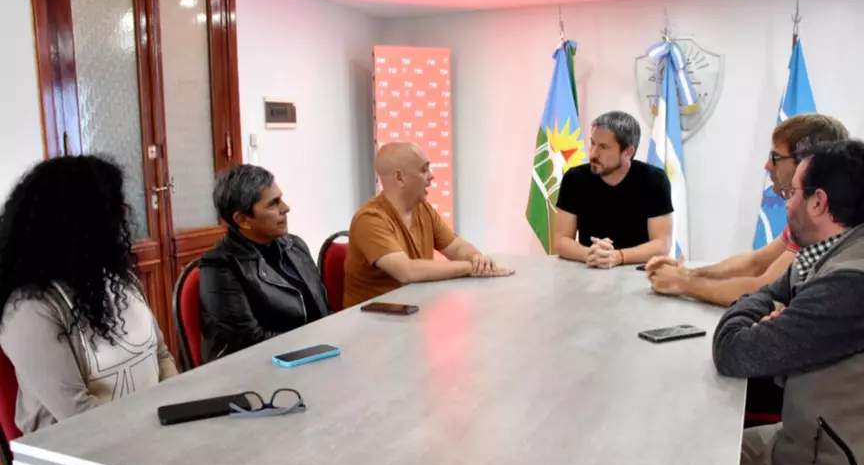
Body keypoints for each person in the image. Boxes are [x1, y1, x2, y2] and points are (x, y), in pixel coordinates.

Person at [713, 139, 864, 465]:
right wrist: (770, 309)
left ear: (818, 202)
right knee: (694, 453)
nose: (786, 203)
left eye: (792, 193)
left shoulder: (858, 286)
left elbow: (733, 351)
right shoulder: (847, 250)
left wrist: (765, 316)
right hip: (822, 437)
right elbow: (766, 294)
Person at [0, 156, 177, 434]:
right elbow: (78, 413)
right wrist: (154, 434)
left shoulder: (121, 282)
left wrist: (176, 410)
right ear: (75, 224)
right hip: (79, 448)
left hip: (152, 431)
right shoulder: (29, 310)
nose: (124, 215)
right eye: (112, 208)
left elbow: (161, 355)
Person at [645, 113, 850, 306]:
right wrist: (689, 274)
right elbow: (755, 263)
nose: (767, 165)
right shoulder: (809, 213)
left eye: (776, 157)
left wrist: (683, 283)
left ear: (806, 164)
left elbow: (763, 289)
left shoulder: (822, 222)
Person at [343, 142, 513, 308]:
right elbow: (406, 271)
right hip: (374, 319)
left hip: (414, 310)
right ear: (399, 178)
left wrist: (477, 260)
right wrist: (469, 267)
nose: (431, 176)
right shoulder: (370, 219)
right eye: (424, 170)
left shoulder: (424, 209)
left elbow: (456, 247)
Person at [200, 164, 330, 362]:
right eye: (273, 204)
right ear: (243, 220)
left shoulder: (294, 246)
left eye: (281, 199)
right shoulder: (220, 266)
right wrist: (316, 342)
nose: (286, 208)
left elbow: (323, 310)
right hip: (261, 368)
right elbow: (249, 343)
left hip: (313, 354)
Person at [554, 111, 673, 268]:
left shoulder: (654, 180)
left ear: (628, 152)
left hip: (638, 271)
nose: (593, 153)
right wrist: (588, 254)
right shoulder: (574, 178)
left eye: (603, 147)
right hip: (589, 268)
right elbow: (561, 240)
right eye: (593, 143)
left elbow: (662, 244)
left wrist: (619, 256)